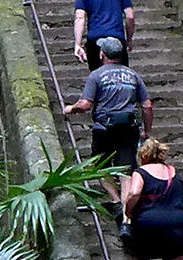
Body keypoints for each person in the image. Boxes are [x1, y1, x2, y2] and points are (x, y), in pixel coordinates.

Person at [63, 35, 152, 198]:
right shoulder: (133, 75)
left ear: (102, 54)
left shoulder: (96, 76)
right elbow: (147, 105)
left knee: (100, 166)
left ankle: (115, 200)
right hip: (128, 127)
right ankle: (125, 208)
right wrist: (146, 131)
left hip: (104, 129)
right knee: (126, 169)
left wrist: (71, 108)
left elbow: (85, 104)